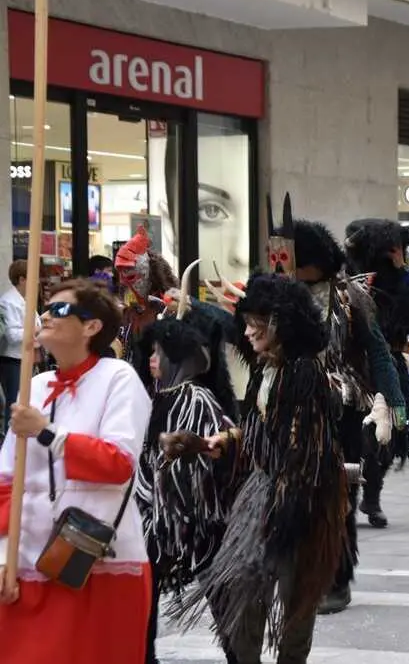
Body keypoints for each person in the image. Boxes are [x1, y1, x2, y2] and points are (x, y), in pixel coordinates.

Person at [166, 269, 346, 664]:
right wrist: (224, 441)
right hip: (263, 491)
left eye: (255, 324)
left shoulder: (304, 373)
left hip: (303, 500)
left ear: (281, 324)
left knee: (297, 597)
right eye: (245, 324)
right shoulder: (265, 369)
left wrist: (288, 508)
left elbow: (304, 450)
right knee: (243, 587)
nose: (246, 333)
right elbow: (260, 429)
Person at [0, 278, 152, 663]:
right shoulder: (33, 385)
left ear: (92, 327)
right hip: (27, 563)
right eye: (46, 308)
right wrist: (3, 555)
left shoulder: (118, 379)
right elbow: (5, 482)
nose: (46, 316)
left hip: (95, 561)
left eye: (60, 309)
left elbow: (118, 463)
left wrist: (48, 433)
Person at [289, 216, 405, 615]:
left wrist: (393, 399)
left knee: (339, 495)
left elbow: (377, 350)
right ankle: (305, 575)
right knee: (297, 496)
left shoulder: (350, 297)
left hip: (342, 410)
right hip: (293, 410)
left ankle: (336, 579)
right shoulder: (283, 293)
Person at [132, 260, 241, 664]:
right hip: (155, 518)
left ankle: (240, 656)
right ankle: (144, 656)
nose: (152, 361)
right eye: (152, 354)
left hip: (197, 519)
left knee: (219, 591)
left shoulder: (198, 399)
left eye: (159, 354)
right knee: (146, 589)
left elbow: (213, 454)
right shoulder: (156, 398)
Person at [344, 218, 409, 527]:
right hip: (350, 368)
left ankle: (373, 495)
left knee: (393, 433)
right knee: (351, 436)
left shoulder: (401, 281)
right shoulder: (347, 277)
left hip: (389, 364)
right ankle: (349, 500)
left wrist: (401, 267)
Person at [114, 225, 179, 364]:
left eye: (131, 276)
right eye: (121, 274)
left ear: (150, 275)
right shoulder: (125, 314)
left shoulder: (169, 311)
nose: (124, 282)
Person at [0, 259, 40, 432]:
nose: (37, 281)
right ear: (22, 279)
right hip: (12, 359)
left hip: (26, 357)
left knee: (24, 401)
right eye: (33, 277)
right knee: (14, 403)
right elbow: (11, 335)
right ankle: (10, 439)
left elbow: (37, 323)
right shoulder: (8, 302)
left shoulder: (26, 299)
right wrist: (36, 329)